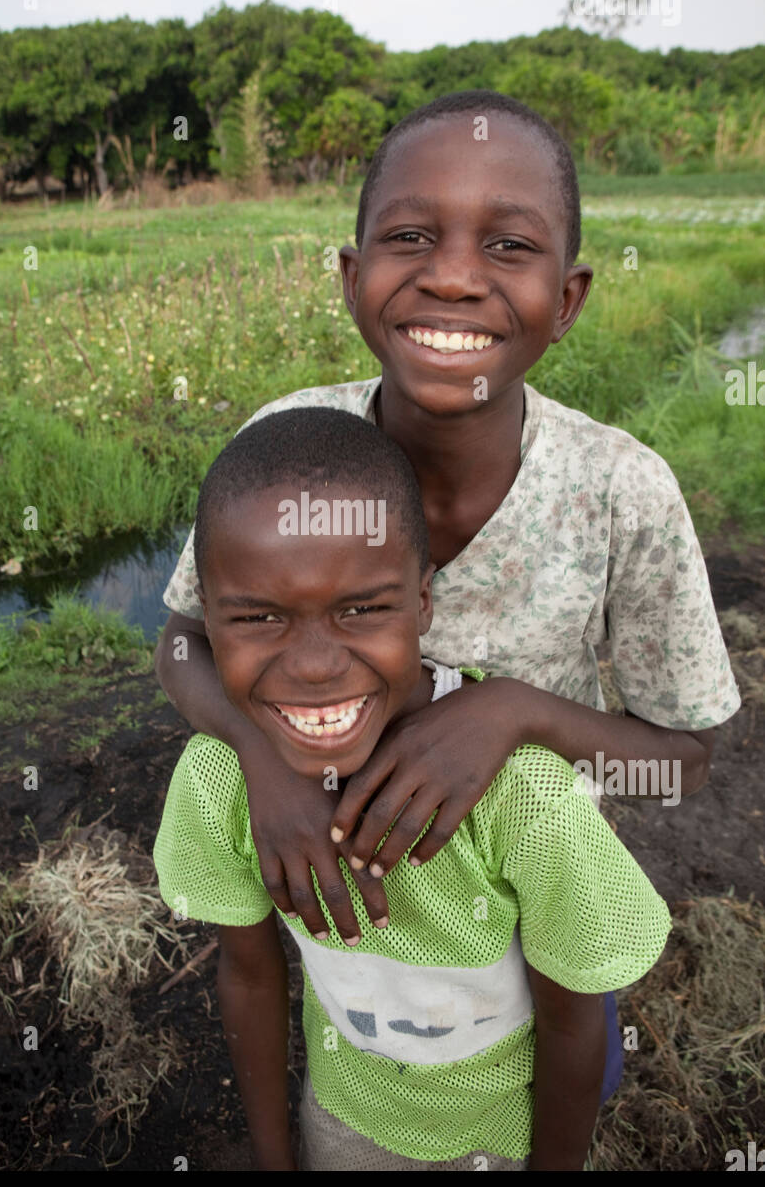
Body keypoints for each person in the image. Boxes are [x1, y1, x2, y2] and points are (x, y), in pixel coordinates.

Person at [154, 90, 740, 1109]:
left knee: (555, 1102)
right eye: (410, 235)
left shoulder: (619, 491)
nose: (453, 275)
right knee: (370, 1102)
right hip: (348, 924)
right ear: (351, 277)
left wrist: (511, 713)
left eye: (507, 246)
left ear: (566, 298)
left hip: (534, 920)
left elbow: (677, 766)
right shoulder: (288, 443)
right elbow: (177, 645)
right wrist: (264, 768)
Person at [154, 406, 672, 1171]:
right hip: (345, 1120)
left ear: (424, 602)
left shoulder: (522, 795)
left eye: (361, 610)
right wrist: (275, 1160)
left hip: (505, 1133)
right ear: (212, 618)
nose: (315, 665)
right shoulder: (218, 782)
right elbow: (250, 972)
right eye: (258, 617)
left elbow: (573, 1026)